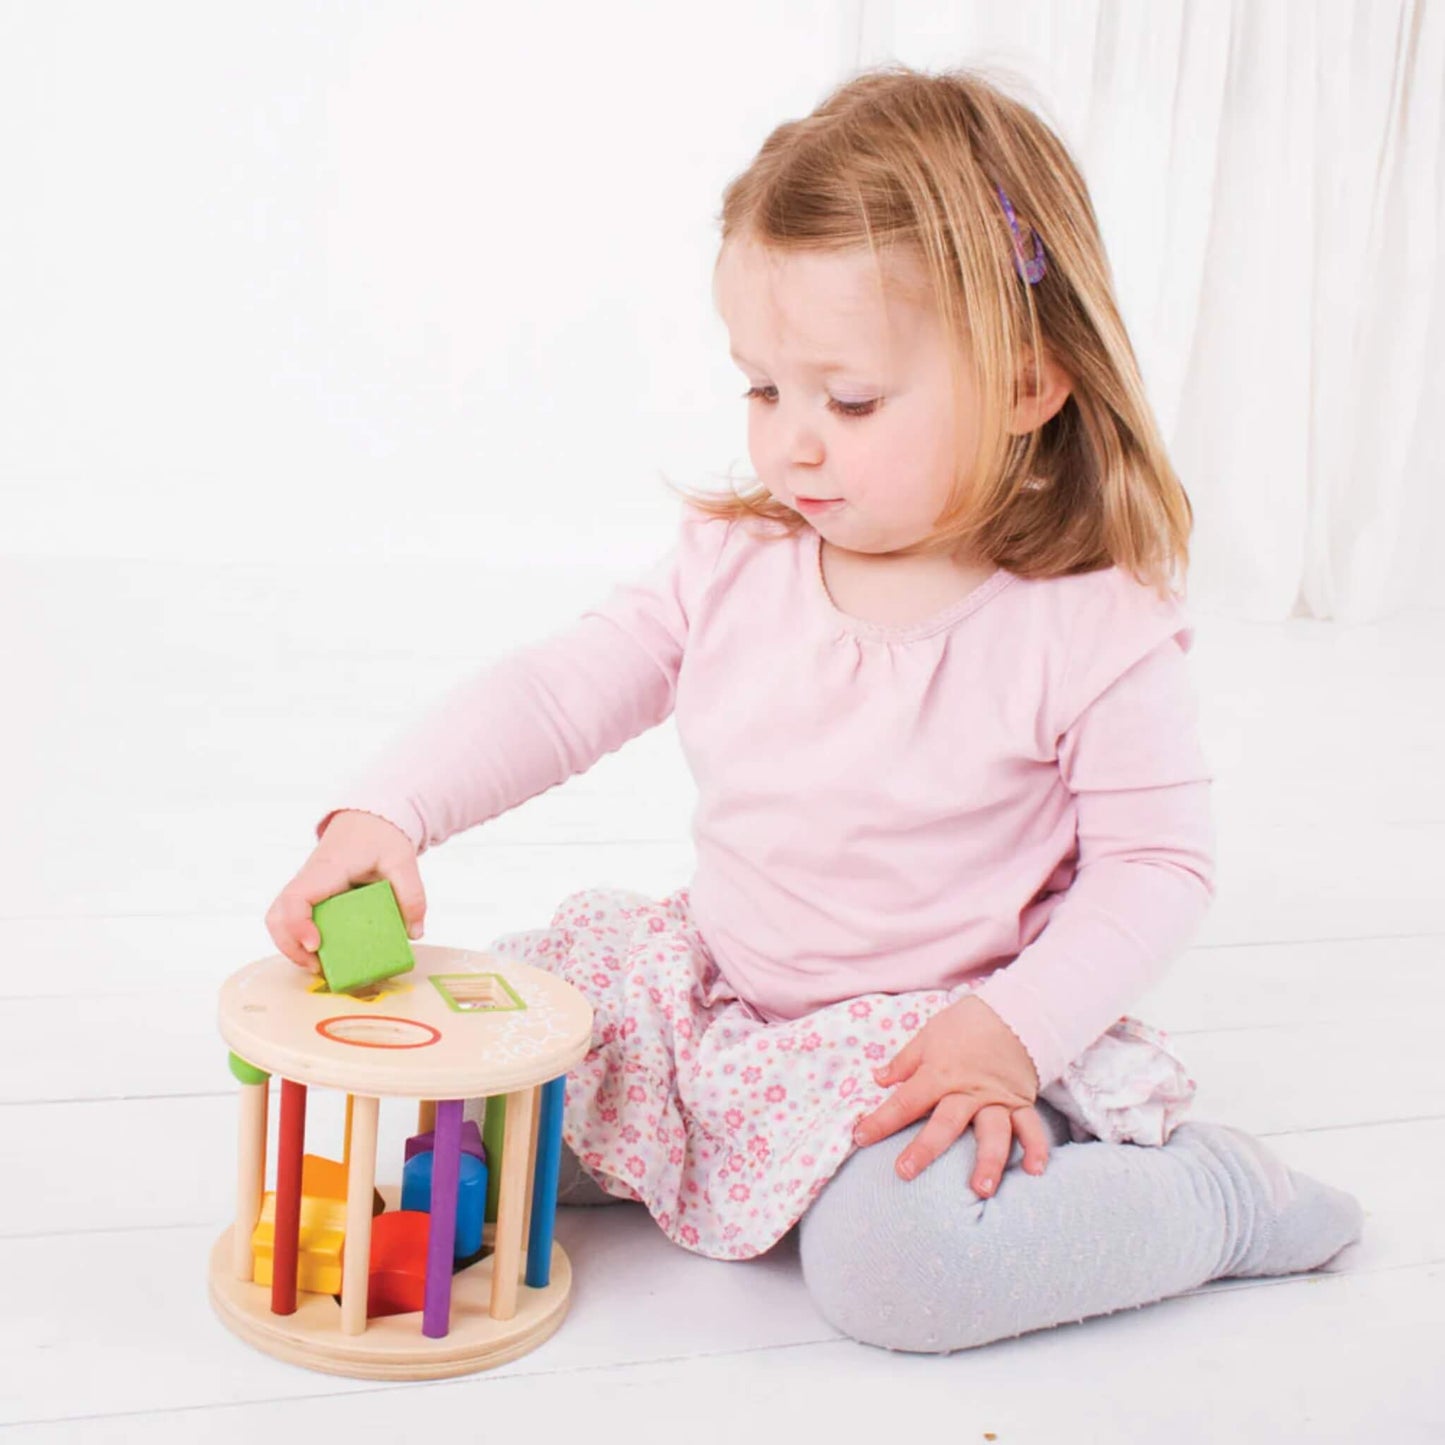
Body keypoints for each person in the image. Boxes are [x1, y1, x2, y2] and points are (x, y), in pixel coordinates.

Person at [264, 63, 1364, 1353]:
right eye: (762, 387)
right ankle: (637, 1145)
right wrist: (392, 809)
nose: (791, 442)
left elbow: (1157, 866)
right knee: (495, 1063)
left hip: (935, 1034)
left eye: (848, 402)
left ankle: (1215, 1200)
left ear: (1027, 386)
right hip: (719, 989)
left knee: (900, 1273)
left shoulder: (1085, 622)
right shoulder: (742, 560)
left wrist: (1012, 1031)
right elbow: (560, 688)